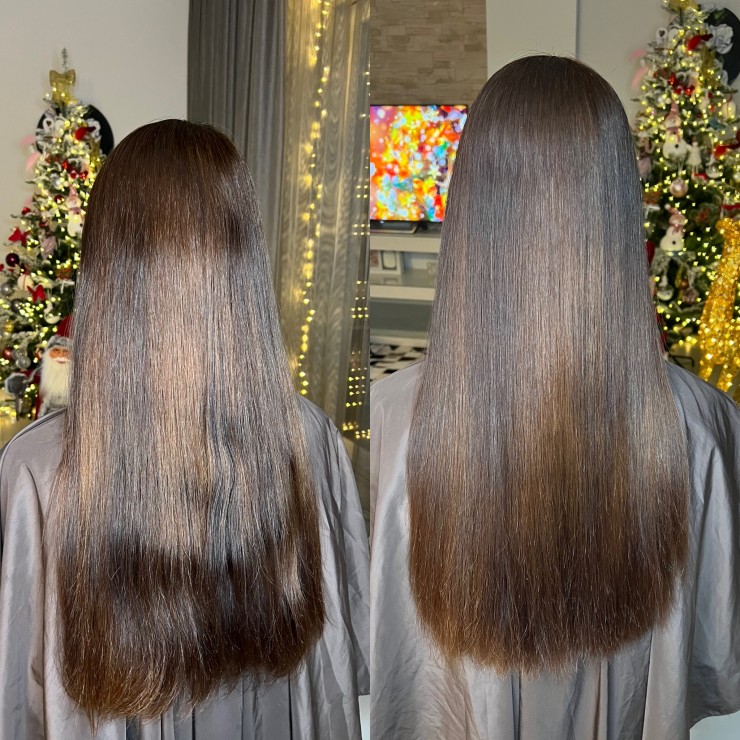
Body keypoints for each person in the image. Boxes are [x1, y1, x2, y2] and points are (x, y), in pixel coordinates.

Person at [370, 56, 740, 740]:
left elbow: (391, 660)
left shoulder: (394, 420)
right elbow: (714, 653)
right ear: (617, 201)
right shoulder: (702, 424)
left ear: (471, 200)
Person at [0, 120, 369, 739]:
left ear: (106, 265)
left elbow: (21, 701)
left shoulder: (39, 468)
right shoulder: (307, 437)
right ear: (243, 259)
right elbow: (341, 657)